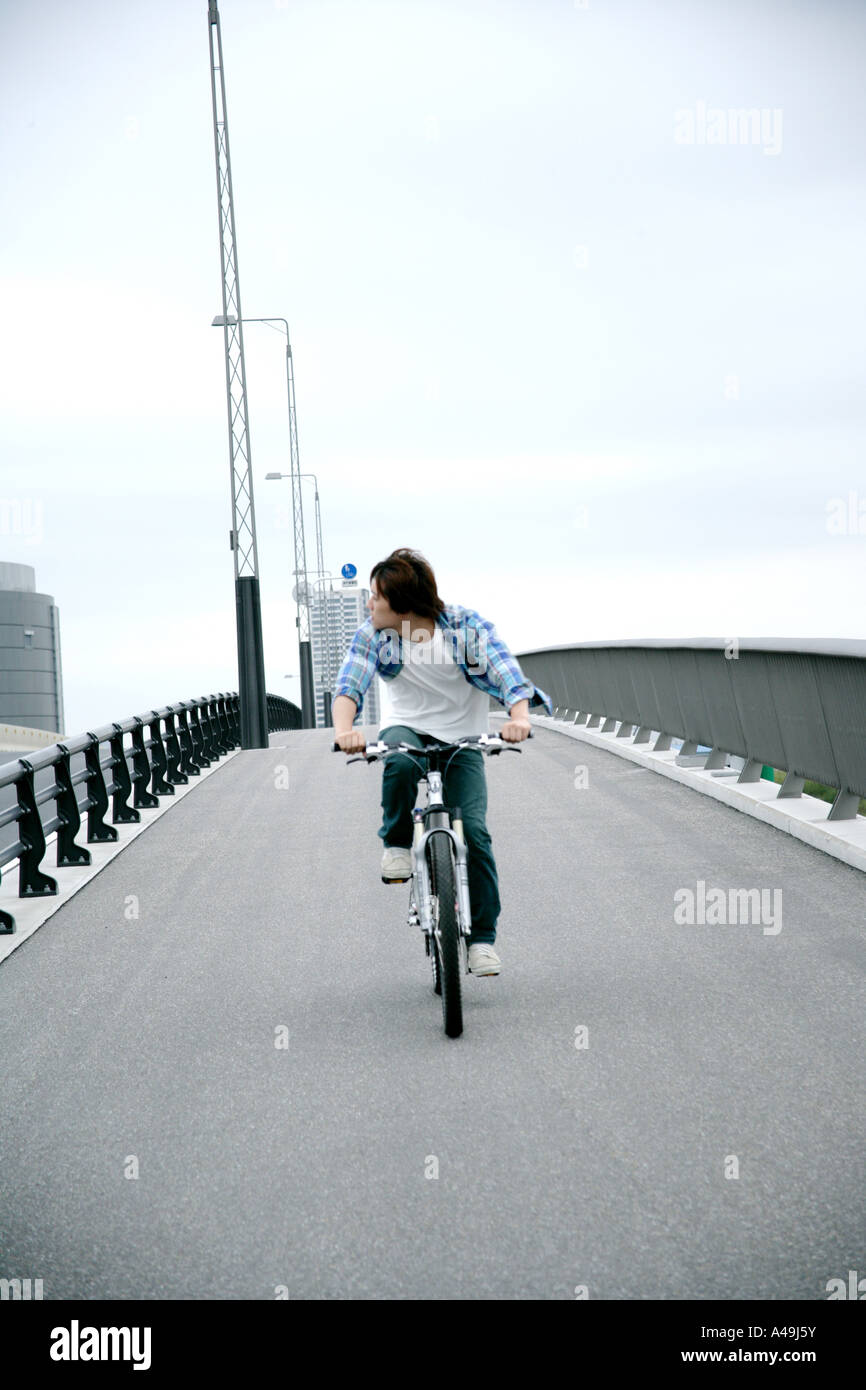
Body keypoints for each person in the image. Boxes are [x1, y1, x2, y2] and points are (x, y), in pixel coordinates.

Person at [331, 548, 553, 976]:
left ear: (402, 602)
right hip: (407, 727)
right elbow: (350, 684)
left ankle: (482, 942)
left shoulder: (464, 629)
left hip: (462, 738)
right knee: (396, 763)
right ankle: (396, 843)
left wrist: (519, 717)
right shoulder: (375, 635)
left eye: (375, 596)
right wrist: (344, 732)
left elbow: (506, 672)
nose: (368, 604)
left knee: (477, 834)